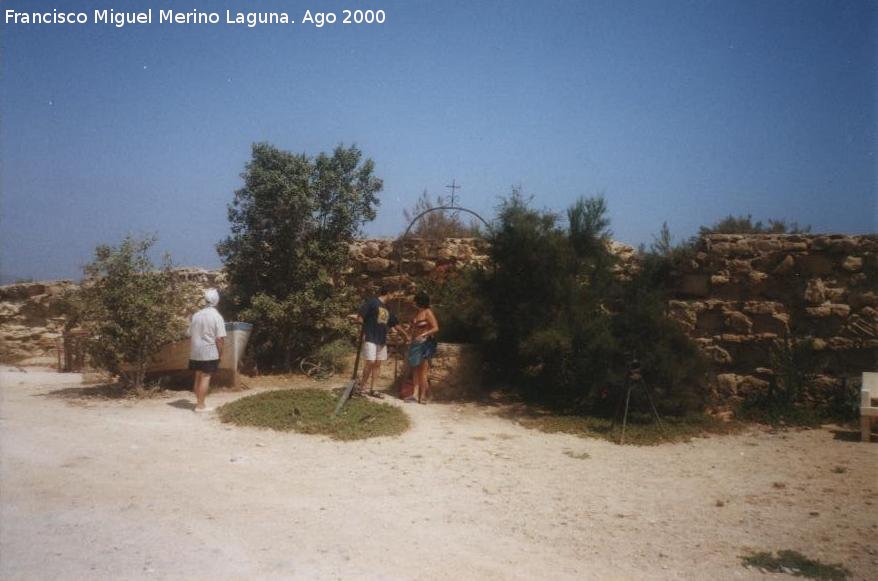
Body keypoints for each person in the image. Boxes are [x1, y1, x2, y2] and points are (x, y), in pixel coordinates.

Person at [188, 288, 226, 412]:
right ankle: (200, 406)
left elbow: (190, 334)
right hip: (209, 352)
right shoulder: (217, 316)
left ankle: (198, 403)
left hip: (195, 351)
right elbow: (219, 339)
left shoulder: (196, 315)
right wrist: (220, 353)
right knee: (206, 377)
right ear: (216, 301)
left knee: (197, 376)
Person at [358, 285, 399, 396]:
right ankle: (362, 387)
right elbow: (361, 316)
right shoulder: (372, 302)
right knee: (370, 362)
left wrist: (401, 333)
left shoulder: (387, 308)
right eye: (393, 294)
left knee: (377, 364)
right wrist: (361, 332)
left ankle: (373, 389)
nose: (394, 297)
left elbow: (393, 323)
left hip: (381, 339)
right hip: (371, 336)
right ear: (388, 293)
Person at [404, 291, 439, 404]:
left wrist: (423, 334)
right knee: (415, 369)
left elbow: (435, 328)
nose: (413, 302)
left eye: (415, 300)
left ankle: (423, 396)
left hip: (424, 343)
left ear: (420, 301)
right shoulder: (417, 313)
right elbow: (414, 327)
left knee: (423, 370)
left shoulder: (428, 312)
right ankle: (415, 394)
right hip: (415, 343)